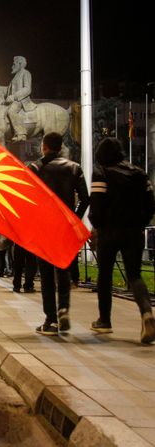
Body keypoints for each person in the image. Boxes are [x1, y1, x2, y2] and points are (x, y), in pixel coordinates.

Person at [89, 137, 155, 343]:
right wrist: (140, 223)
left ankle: (104, 320)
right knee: (134, 275)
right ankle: (146, 313)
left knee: (105, 274)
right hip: (134, 231)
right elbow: (150, 204)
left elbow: (97, 205)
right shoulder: (140, 174)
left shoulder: (102, 173)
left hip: (109, 231)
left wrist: (97, 226)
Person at [29, 132, 89, 336]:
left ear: (44, 146)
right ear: (60, 146)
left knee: (45, 273)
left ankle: (50, 319)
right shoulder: (74, 168)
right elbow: (85, 198)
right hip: (65, 225)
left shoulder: (36, 168)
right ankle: (63, 307)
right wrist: (74, 217)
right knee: (63, 267)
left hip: (44, 225)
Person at [4, 56, 35, 142]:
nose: (12, 66)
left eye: (14, 64)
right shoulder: (15, 77)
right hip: (13, 101)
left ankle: (21, 133)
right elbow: (7, 91)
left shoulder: (26, 73)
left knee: (11, 111)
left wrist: (14, 97)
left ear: (20, 64)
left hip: (21, 101)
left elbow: (27, 89)